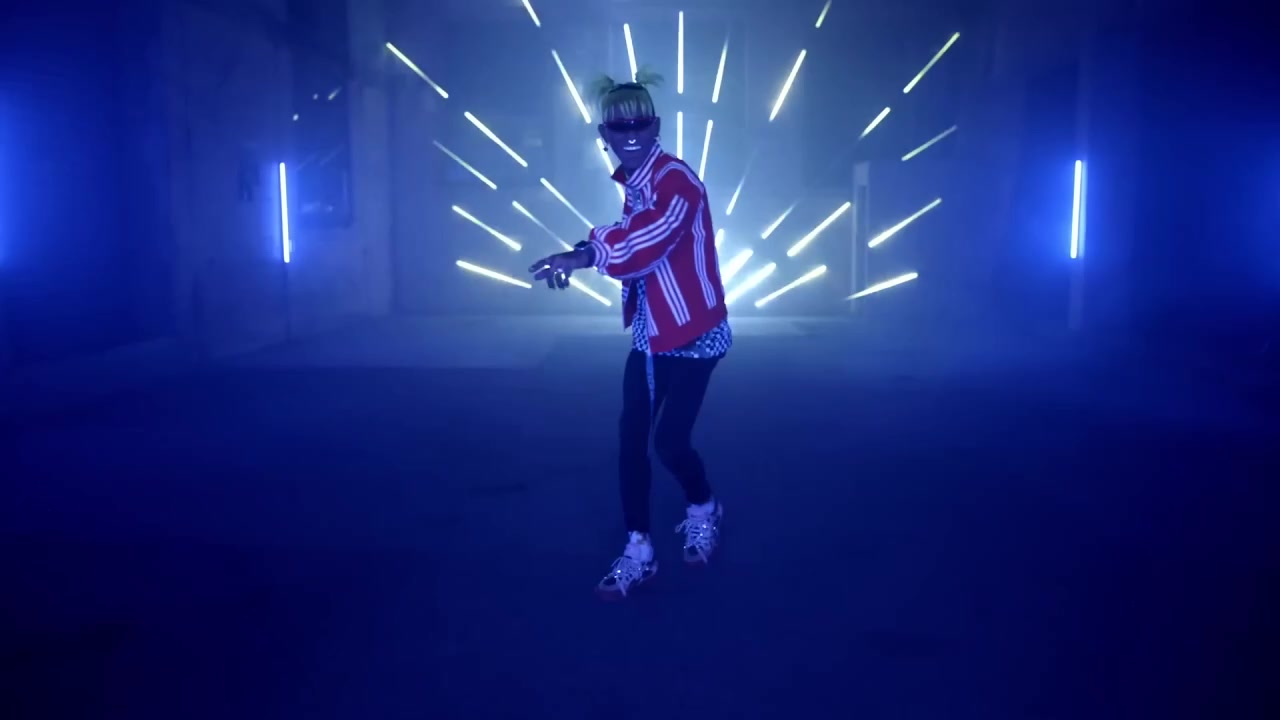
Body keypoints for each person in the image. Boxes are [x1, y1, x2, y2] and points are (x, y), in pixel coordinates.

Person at [528, 69, 731, 600]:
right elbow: (629, 234)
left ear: (656, 125)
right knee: (631, 439)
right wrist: (586, 249)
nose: (631, 133)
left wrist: (583, 255)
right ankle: (639, 548)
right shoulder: (637, 182)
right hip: (650, 333)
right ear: (605, 135)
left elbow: (646, 242)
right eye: (619, 127)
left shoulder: (677, 181)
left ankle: (704, 506)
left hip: (694, 333)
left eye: (640, 123)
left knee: (669, 441)